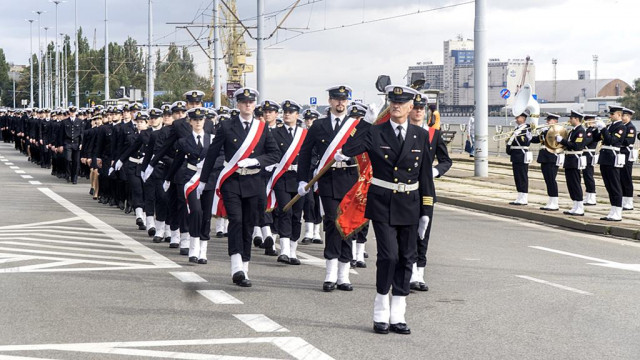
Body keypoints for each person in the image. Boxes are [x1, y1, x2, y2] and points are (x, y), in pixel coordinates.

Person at [342, 84, 435, 335]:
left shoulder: (420, 135)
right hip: (382, 202)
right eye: (392, 102)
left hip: (411, 204)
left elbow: (426, 175)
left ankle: (398, 314)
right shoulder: (375, 132)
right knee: (389, 256)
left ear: (410, 107)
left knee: (406, 258)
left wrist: (427, 209)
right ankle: (381, 309)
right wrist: (363, 125)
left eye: (401, 103)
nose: (396, 106)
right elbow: (347, 151)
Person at [197, 87, 280, 287]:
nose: (247, 105)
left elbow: (275, 154)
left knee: (249, 224)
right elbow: (212, 154)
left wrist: (256, 161)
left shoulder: (262, 128)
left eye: (251, 102)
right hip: (232, 181)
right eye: (243, 102)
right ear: (238, 104)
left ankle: (245, 267)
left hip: (254, 182)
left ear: (255, 105)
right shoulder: (226, 126)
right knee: (236, 220)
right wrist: (203, 180)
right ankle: (236, 267)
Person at [297, 85, 359, 292]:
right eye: (336, 99)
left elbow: (369, 150)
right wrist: (302, 180)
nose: (340, 103)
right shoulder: (318, 126)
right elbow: (305, 153)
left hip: (350, 180)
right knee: (333, 223)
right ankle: (331, 273)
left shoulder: (357, 126)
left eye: (343, 99)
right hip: (328, 180)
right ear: (330, 101)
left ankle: (344, 275)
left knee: (347, 226)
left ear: (348, 102)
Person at [408, 95, 451, 292]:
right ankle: (408, 272)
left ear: (425, 111)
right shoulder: (402, 131)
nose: (418, 111)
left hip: (426, 190)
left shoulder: (433, 134)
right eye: (415, 107)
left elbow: (445, 160)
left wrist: (435, 171)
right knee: (407, 232)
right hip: (405, 189)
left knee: (423, 231)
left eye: (421, 108)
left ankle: (420, 273)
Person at [267, 100, 307, 265]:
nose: (287, 114)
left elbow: (311, 155)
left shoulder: (304, 134)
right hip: (282, 176)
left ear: (297, 115)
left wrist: (307, 171)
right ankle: (283, 250)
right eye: (285, 112)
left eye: (291, 112)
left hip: (300, 179)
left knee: (297, 215)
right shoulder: (275, 133)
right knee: (285, 211)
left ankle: (292, 250)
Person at [596, 106, 627, 221]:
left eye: (612, 114)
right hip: (605, 158)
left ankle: (618, 212)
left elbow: (611, 141)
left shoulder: (621, 127)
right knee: (608, 185)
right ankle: (613, 210)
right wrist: (596, 129)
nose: (610, 116)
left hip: (612, 158)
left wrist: (604, 129)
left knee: (615, 185)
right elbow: (597, 138)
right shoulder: (610, 126)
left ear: (619, 115)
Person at [300, 109, 323, 245]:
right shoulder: (303, 134)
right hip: (309, 172)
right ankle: (308, 231)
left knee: (318, 202)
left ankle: (317, 231)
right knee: (309, 202)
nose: (309, 122)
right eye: (308, 120)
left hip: (320, 171)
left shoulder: (322, 133)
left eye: (312, 120)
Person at [530, 113, 562, 211]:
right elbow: (537, 140)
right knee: (548, 180)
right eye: (547, 120)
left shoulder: (558, 130)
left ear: (555, 121)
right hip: (544, 157)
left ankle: (555, 202)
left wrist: (546, 131)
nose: (547, 122)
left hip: (552, 157)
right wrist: (530, 135)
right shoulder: (545, 130)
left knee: (552, 180)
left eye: (549, 120)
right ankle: (551, 200)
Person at [558, 112, 586, 215]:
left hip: (574, 159)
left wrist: (563, 141)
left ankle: (580, 206)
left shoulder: (580, 131)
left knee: (575, 183)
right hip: (569, 159)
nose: (570, 120)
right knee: (570, 184)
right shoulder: (572, 131)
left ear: (577, 119)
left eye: (571, 118)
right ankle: (575, 205)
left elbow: (576, 146)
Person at [506, 110, 533, 205]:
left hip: (521, 155)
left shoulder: (526, 129)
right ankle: (520, 195)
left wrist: (517, 136)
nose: (516, 119)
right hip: (515, 155)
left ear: (523, 118)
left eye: (518, 117)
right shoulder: (517, 129)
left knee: (522, 176)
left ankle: (524, 197)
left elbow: (526, 141)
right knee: (517, 177)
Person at [59, 106, 84, 184]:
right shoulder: (64, 122)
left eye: (74, 112)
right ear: (69, 112)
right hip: (68, 143)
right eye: (71, 112)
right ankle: (68, 174)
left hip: (76, 144)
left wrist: (81, 143)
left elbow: (82, 133)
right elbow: (61, 134)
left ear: (76, 112)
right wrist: (61, 145)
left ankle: (74, 177)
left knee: (76, 161)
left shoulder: (80, 121)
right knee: (68, 159)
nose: (72, 113)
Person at [581, 114, 599, 206]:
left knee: (589, 176)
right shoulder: (587, 130)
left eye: (588, 120)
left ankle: (592, 197)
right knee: (586, 176)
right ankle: (588, 196)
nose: (586, 122)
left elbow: (586, 141)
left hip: (589, 154)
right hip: (585, 154)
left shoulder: (593, 130)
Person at [620, 108, 636, 210]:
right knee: (621, 178)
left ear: (629, 116)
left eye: (624, 116)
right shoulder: (622, 127)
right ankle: (624, 200)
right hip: (621, 154)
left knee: (627, 178)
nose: (622, 118)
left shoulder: (630, 128)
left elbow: (628, 141)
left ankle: (629, 202)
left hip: (626, 154)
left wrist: (616, 139)